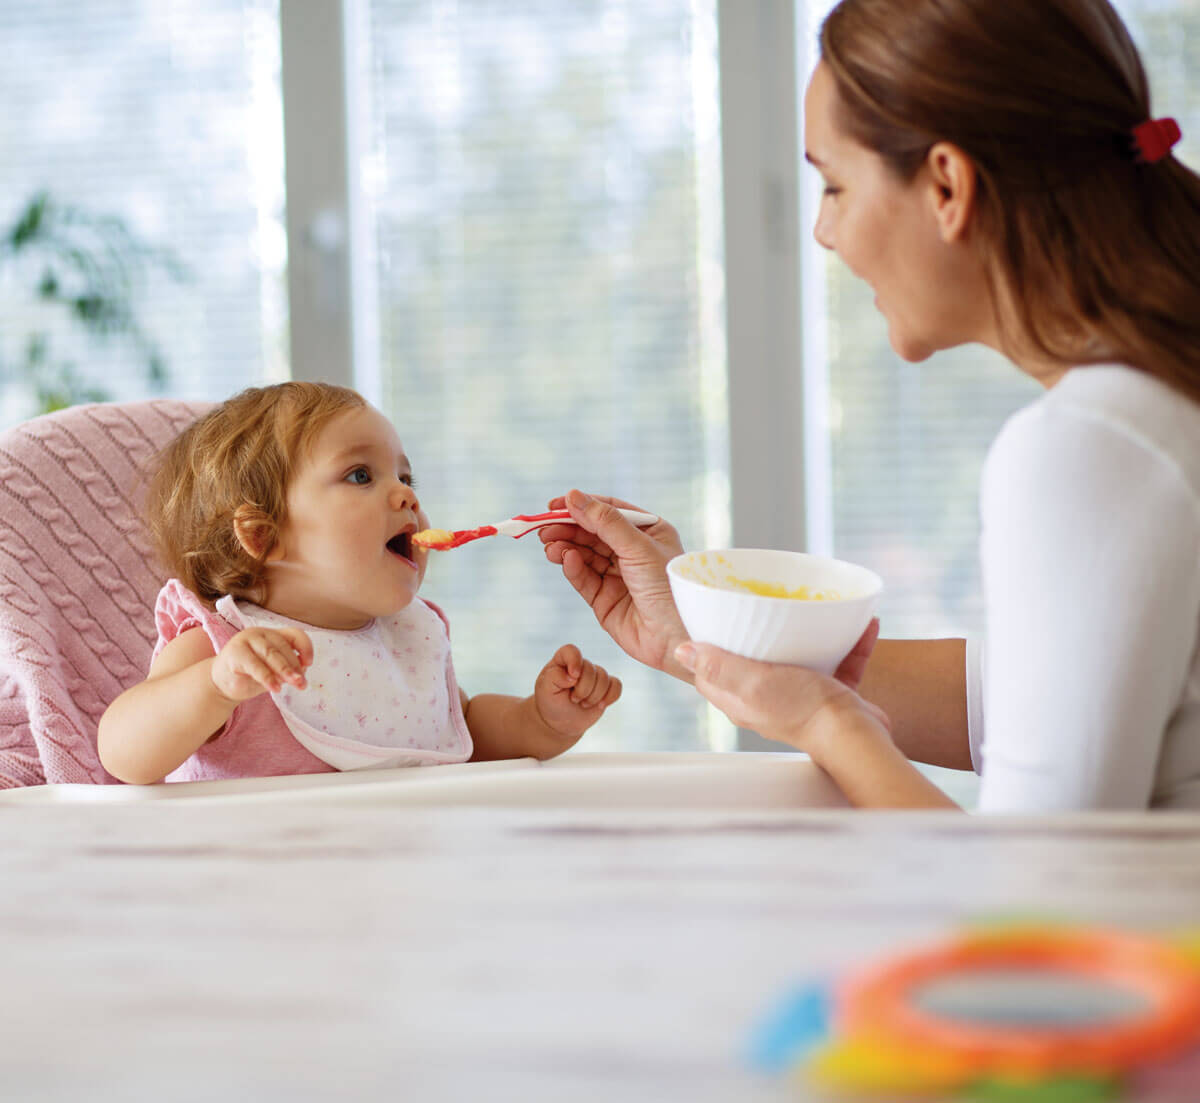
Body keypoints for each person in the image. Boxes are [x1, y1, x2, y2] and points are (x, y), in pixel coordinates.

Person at [539, 0, 1200, 811]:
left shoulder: (1091, 448)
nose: (822, 230)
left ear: (948, 186)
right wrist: (699, 632)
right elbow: (1045, 694)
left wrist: (829, 725)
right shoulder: (1157, 403)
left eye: (835, 184)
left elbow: (1039, 897)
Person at [99, 382, 621, 784]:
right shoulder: (226, 648)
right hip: (255, 890)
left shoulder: (406, 638)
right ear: (263, 536)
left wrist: (542, 721)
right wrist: (216, 686)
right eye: (361, 476)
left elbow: (463, 731)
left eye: (406, 477)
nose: (406, 496)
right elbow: (123, 752)